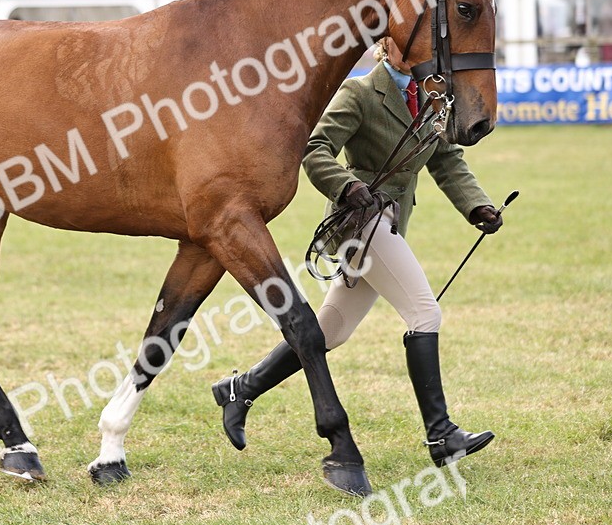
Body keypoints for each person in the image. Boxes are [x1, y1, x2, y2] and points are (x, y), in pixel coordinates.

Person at [212, 37, 503, 468]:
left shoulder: (432, 94)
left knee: (331, 330)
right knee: (425, 313)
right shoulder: (360, 92)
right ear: (387, 45)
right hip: (359, 221)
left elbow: (445, 159)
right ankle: (441, 435)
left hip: (391, 222)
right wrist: (346, 185)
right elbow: (315, 149)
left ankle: (241, 388)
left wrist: (476, 204)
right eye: (407, 42)